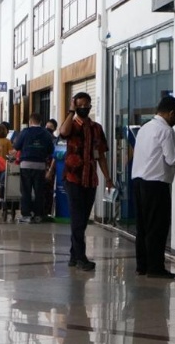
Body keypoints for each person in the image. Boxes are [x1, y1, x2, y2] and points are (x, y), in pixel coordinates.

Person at [132, 96, 175, 279]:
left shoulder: (146, 128)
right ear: (170, 113)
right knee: (157, 226)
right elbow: (173, 159)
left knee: (143, 226)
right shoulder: (166, 131)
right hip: (156, 184)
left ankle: (142, 266)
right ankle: (155, 268)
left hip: (139, 182)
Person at [59, 92, 113, 272]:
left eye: (87, 104)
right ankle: (81, 257)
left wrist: (108, 178)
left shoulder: (96, 128)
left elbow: (101, 156)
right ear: (75, 105)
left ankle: (74, 256)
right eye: (80, 105)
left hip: (90, 180)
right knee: (77, 219)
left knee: (82, 219)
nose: (84, 108)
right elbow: (63, 132)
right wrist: (70, 111)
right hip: (73, 178)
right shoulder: (72, 125)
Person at [13, 113, 55, 223]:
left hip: (25, 164)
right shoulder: (46, 133)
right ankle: (38, 215)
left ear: (30, 122)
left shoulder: (25, 132)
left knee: (26, 190)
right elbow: (51, 150)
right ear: (41, 122)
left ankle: (26, 215)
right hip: (40, 166)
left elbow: (17, 146)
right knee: (39, 191)